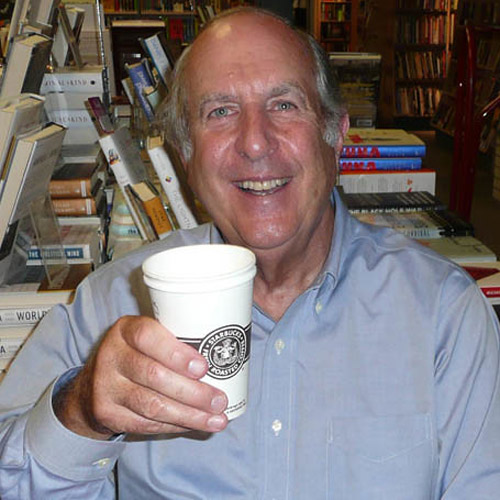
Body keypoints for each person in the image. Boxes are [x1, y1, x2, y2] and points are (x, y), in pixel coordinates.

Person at [1, 7, 500, 499]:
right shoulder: (112, 303)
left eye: (284, 105)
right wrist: (81, 411)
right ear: (185, 154)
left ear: (336, 136)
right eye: (220, 111)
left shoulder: (444, 314)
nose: (255, 143)